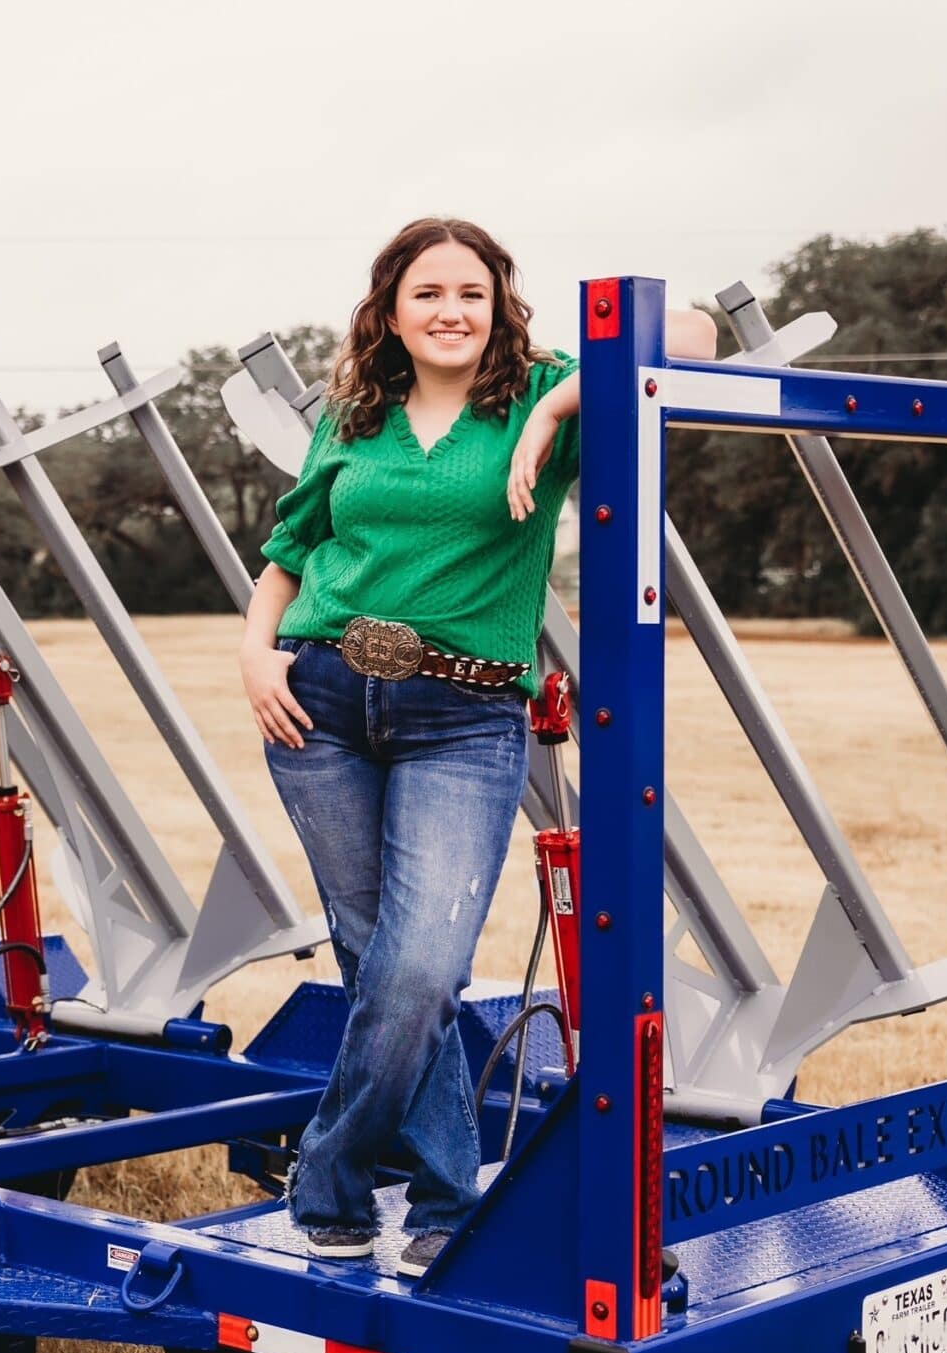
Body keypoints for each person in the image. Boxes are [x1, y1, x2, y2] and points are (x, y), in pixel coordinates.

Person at [240, 217, 716, 1278]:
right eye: (426, 293)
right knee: (381, 967)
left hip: (463, 716)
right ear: (390, 312)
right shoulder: (353, 415)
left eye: (471, 291)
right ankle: (451, 1203)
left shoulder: (546, 395)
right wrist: (253, 655)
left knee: (419, 969)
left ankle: (325, 1173)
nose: (450, 310)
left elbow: (695, 337)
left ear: (500, 303)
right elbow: (288, 551)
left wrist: (553, 404)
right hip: (317, 702)